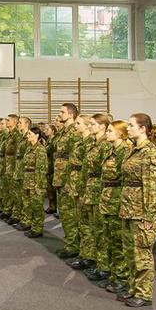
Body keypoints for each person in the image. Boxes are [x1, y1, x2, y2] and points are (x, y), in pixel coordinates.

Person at [116, 113, 156, 308]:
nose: (128, 128)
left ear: (143, 128)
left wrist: (150, 217)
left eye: (131, 125)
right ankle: (133, 288)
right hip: (128, 208)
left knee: (142, 253)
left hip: (141, 211)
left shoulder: (151, 153)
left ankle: (144, 294)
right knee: (129, 252)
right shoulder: (133, 150)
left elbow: (153, 187)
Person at [93, 120, 132, 291]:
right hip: (107, 199)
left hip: (117, 201)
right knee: (108, 238)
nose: (106, 133)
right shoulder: (110, 150)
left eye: (110, 131)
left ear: (120, 134)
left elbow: (124, 180)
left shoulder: (125, 152)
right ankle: (113, 274)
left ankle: (122, 279)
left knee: (118, 241)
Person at [78, 113, 112, 277]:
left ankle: (104, 267)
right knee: (90, 228)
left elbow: (107, 172)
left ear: (102, 127)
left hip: (99, 191)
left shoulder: (106, 145)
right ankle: (92, 258)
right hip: (90, 189)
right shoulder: (93, 143)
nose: (89, 127)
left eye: (92, 124)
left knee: (100, 231)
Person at [63, 114, 93, 269]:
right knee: (79, 221)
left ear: (88, 126)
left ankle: (87, 256)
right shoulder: (80, 141)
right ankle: (82, 252)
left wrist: (81, 187)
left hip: (84, 185)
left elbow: (88, 168)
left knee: (86, 223)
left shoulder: (90, 143)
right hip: (75, 182)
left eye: (79, 123)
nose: (75, 126)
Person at [53, 104, 81, 259]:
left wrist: (71, 180)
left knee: (70, 213)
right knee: (64, 213)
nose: (60, 114)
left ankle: (73, 246)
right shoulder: (63, 131)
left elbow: (75, 159)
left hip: (68, 178)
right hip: (61, 177)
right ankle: (70, 243)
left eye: (62, 112)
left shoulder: (74, 133)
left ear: (71, 114)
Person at [21, 126, 49, 238]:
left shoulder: (40, 150)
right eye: (27, 134)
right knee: (28, 204)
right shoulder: (29, 148)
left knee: (37, 206)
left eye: (30, 134)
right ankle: (31, 225)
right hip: (28, 180)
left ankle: (38, 229)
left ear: (37, 136)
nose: (27, 136)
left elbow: (42, 169)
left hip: (36, 182)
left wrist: (39, 185)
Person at [9, 116, 30, 226]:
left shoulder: (28, 137)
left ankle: (26, 220)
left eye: (20, 123)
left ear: (27, 124)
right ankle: (20, 217)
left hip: (24, 170)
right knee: (18, 195)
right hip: (18, 168)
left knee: (24, 197)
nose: (18, 124)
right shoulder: (21, 137)